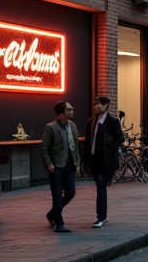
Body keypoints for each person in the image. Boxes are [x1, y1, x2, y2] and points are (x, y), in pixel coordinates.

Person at [83, 96, 124, 228]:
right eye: (96, 104)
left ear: (107, 106)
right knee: (99, 186)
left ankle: (101, 217)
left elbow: (120, 138)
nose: (97, 106)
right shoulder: (91, 122)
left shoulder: (113, 122)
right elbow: (87, 142)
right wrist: (85, 160)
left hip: (107, 161)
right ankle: (102, 217)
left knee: (101, 186)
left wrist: (111, 147)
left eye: (100, 104)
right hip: (94, 160)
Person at [40, 101, 80, 233]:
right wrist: (49, 164)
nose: (72, 111)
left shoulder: (72, 125)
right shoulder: (51, 127)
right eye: (69, 109)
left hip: (69, 165)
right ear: (61, 113)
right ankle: (59, 223)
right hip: (56, 166)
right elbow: (44, 148)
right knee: (57, 194)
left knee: (70, 192)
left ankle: (52, 214)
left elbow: (75, 146)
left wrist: (77, 162)